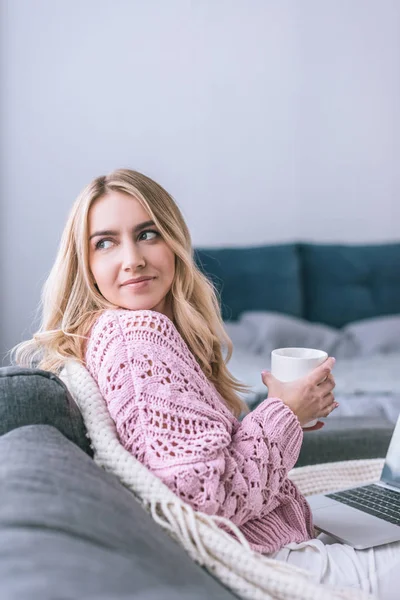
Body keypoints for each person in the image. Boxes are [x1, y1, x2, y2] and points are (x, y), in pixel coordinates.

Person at [12, 169, 399, 598]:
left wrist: (285, 412)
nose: (132, 258)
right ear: (84, 263)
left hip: (280, 541)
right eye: (105, 242)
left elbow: (206, 459)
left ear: (174, 242)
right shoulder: (135, 334)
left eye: (147, 234)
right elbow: (202, 496)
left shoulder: (116, 334)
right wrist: (284, 412)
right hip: (268, 563)